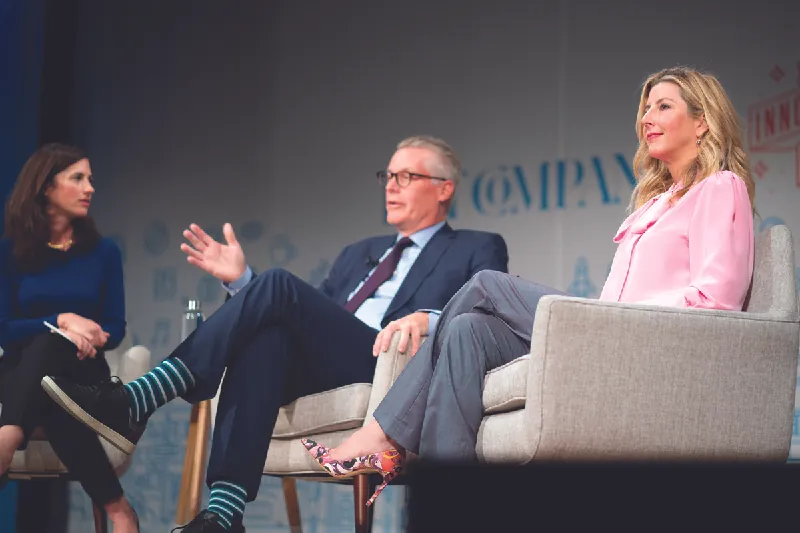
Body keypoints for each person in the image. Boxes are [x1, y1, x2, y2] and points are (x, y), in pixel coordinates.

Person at [300, 66, 757, 505]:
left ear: (702, 122)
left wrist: (624, 314)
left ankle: (382, 432)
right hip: (610, 332)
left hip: (636, 337)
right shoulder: (654, 203)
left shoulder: (720, 187)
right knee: (466, 332)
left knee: (484, 285)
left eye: (663, 106)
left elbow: (718, 300)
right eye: (646, 107)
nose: (647, 117)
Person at [41, 135, 509, 532]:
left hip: (393, 363)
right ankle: (224, 514)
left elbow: (486, 305)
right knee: (269, 338)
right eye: (387, 176)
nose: (391, 186)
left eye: (406, 176)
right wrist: (243, 284)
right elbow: (307, 313)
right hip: (333, 357)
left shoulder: (474, 245)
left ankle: (144, 396)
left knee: (280, 285)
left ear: (444, 189)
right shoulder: (357, 253)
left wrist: (427, 317)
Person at [0, 143, 138, 532]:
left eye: (90, 179)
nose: (89, 187)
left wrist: (80, 334)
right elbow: (4, 329)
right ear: (46, 186)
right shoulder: (9, 253)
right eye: (78, 178)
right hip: (19, 372)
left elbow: (114, 328)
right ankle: (119, 509)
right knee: (49, 382)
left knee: (53, 360)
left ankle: (6, 441)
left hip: (84, 373)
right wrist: (62, 320)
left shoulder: (104, 253)